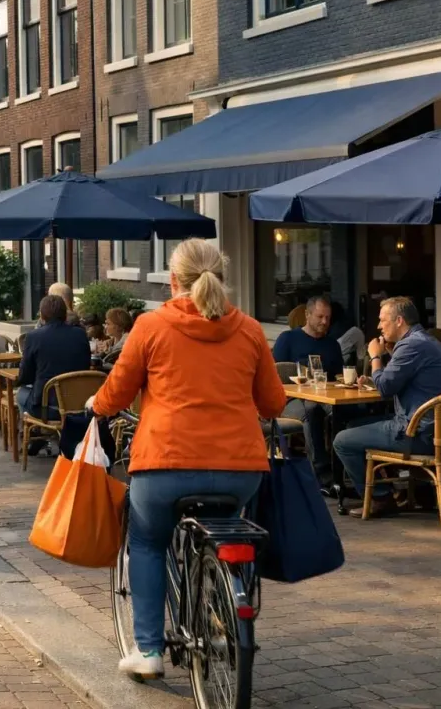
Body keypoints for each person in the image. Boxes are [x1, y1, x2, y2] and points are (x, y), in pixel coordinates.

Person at [86, 238, 285, 679]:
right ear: (222, 277)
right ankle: (222, 611)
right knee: (228, 529)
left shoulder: (151, 327)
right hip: (239, 471)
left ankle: (151, 651)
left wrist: (95, 406)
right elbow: (273, 404)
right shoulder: (250, 330)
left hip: (165, 466)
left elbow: (117, 391)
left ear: (173, 280)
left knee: (148, 543)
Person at [331, 296, 441, 518]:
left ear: (399, 321)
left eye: (382, 320)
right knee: (353, 425)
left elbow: (387, 388)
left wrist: (376, 357)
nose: (379, 326)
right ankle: (405, 490)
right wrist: (382, 369)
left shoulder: (411, 345)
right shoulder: (426, 340)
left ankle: (380, 498)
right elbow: (398, 380)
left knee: (342, 440)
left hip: (420, 435)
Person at [272, 296, 344, 478]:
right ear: (307, 315)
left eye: (328, 317)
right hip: (291, 399)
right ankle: (321, 472)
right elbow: (274, 375)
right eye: (320, 317)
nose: (325, 322)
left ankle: (343, 470)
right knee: (310, 411)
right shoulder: (288, 339)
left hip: (324, 396)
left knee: (344, 412)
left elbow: (338, 377)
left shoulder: (332, 344)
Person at [17, 295, 92, 450]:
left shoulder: (33, 337)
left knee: (20, 394)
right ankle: (51, 436)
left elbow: (25, 376)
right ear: (64, 314)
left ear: (42, 315)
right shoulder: (80, 335)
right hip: (77, 405)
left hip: (47, 408)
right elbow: (85, 365)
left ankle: (37, 433)